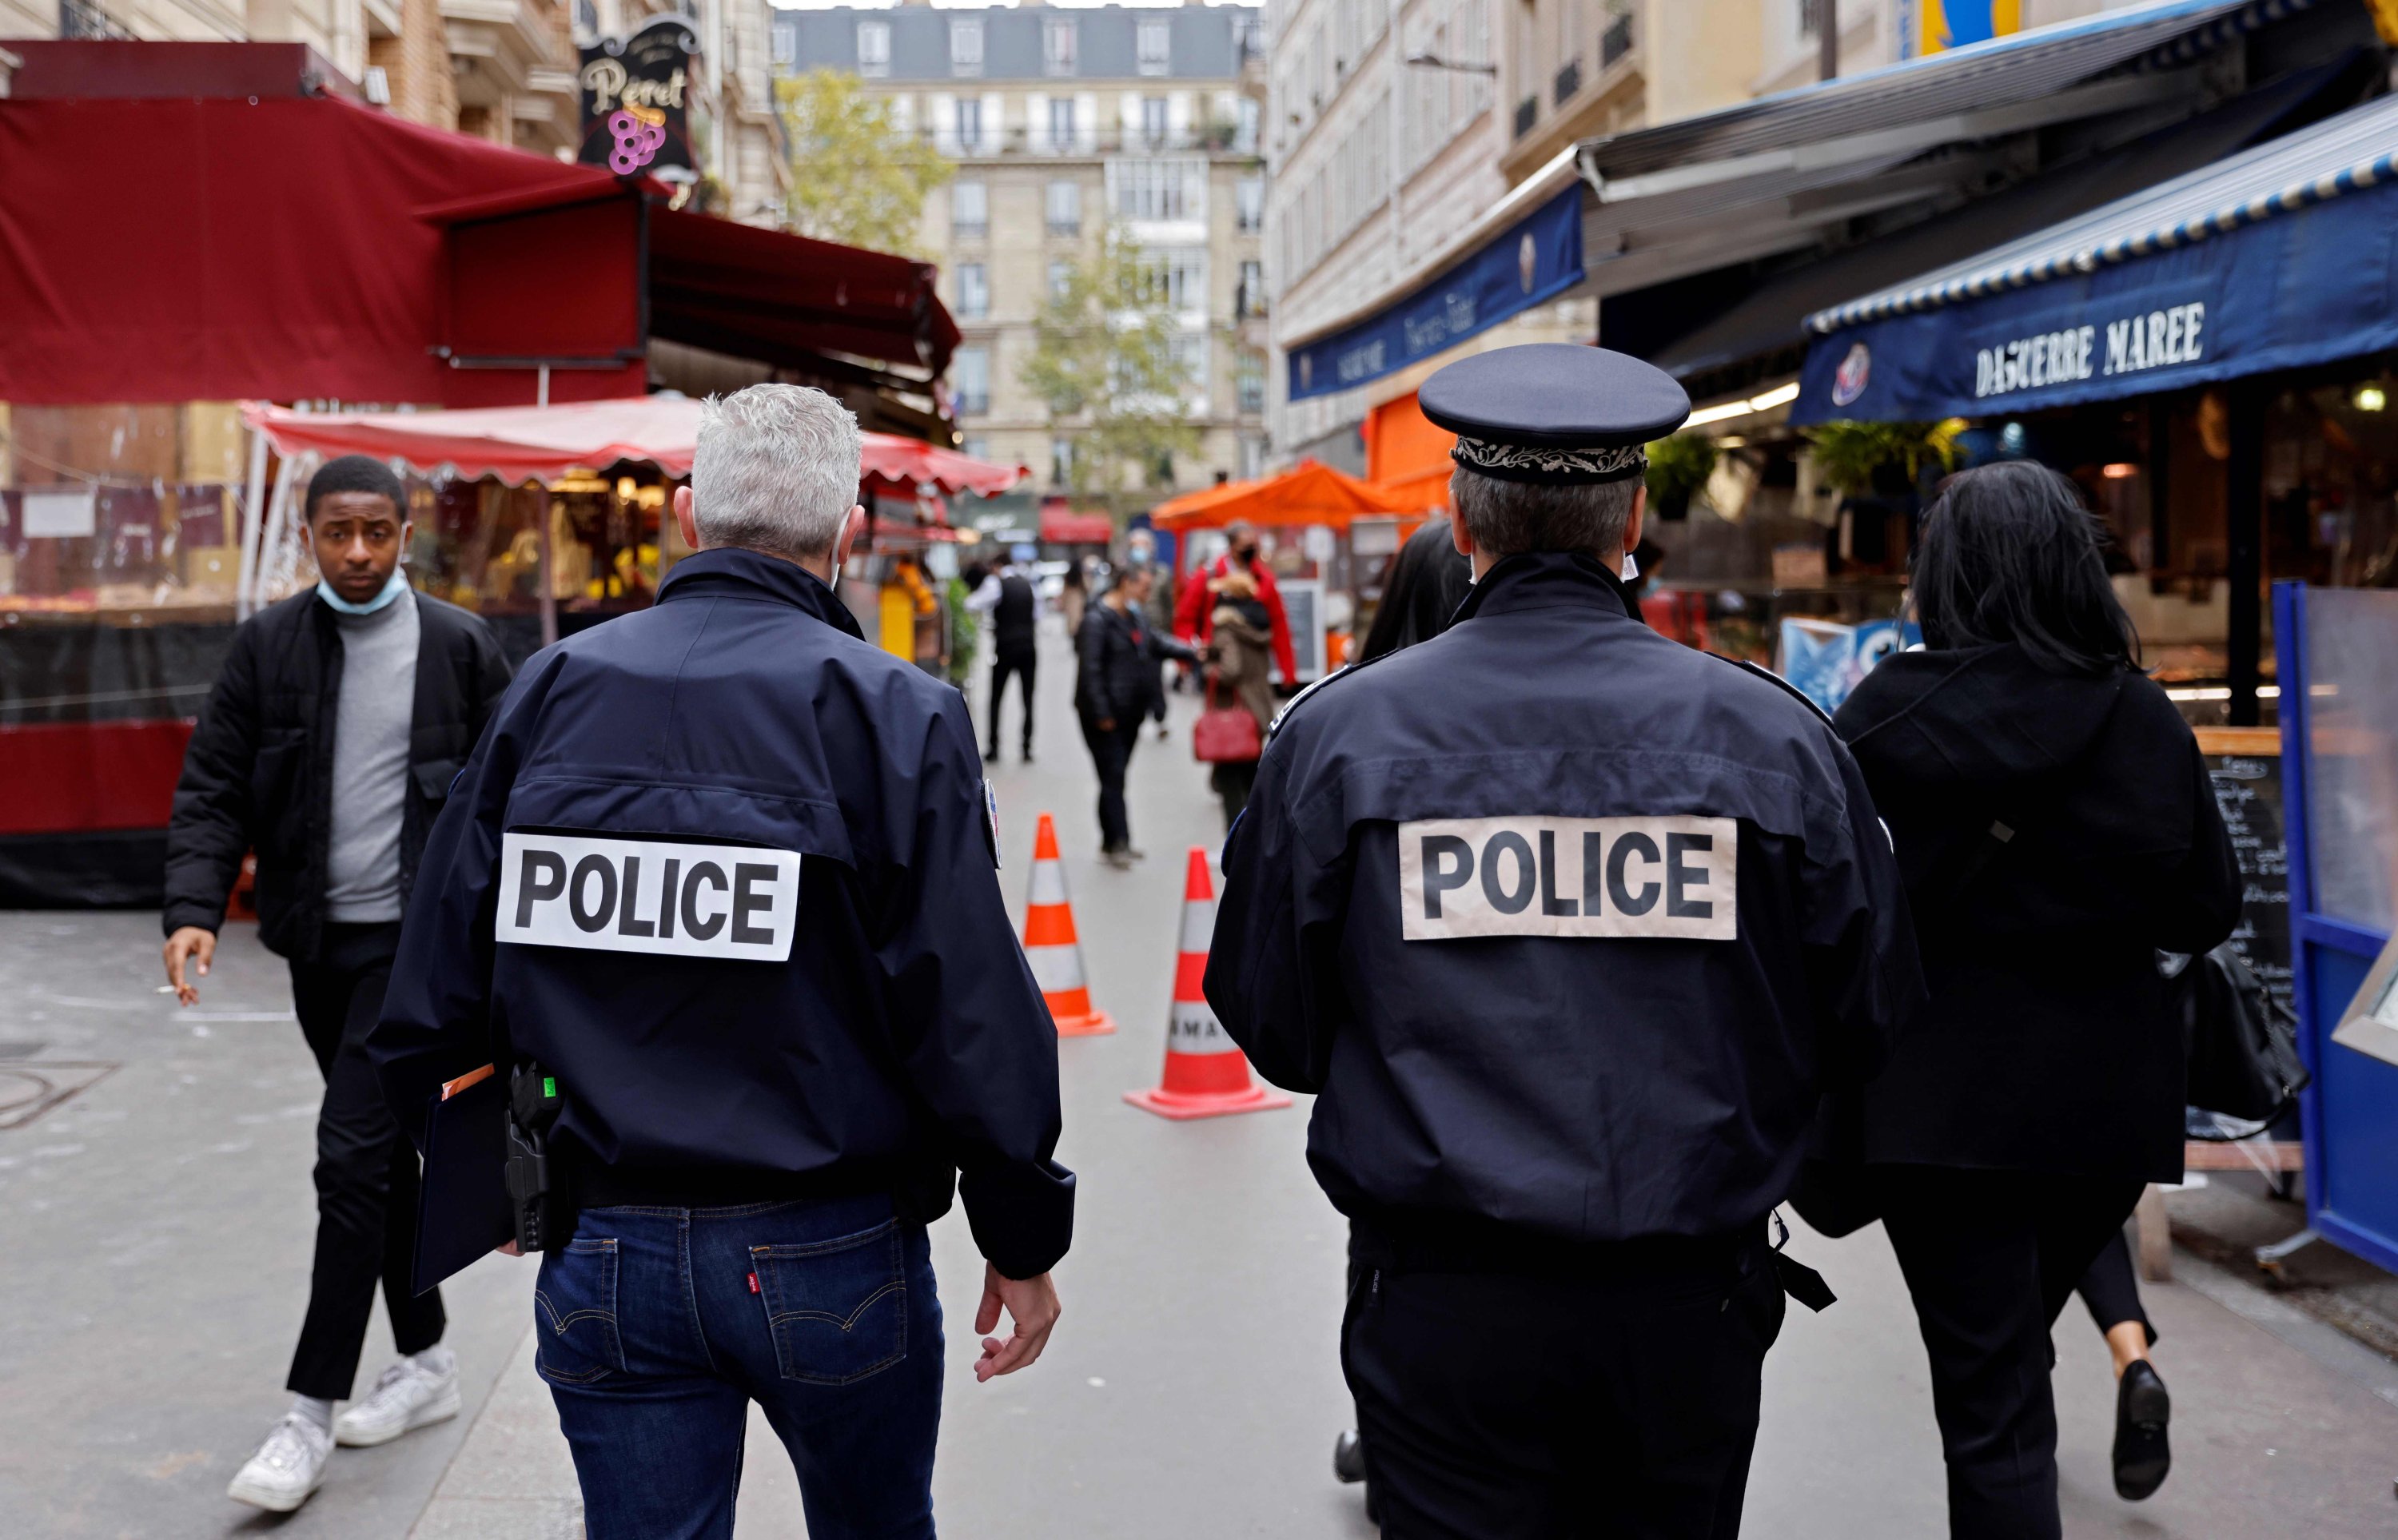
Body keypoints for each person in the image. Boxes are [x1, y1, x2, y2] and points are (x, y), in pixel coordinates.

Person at [1209, 343, 1924, 1538]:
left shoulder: (1338, 738)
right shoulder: (1775, 739)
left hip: (1442, 1301)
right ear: (1635, 517)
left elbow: (1275, 1023)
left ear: (1459, 517)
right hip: (1686, 1300)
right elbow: (1870, 1011)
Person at [368, 385, 1073, 1540]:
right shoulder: (898, 711)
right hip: (833, 1247)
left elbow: (433, 985)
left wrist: (483, 1168)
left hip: (608, 1242)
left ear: (686, 515)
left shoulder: (550, 690)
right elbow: (967, 1008)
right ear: (844, 531)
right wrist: (1022, 1235)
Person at [1830, 460, 2238, 1540]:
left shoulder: (1884, 714)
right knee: (2009, 1354)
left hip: (1935, 1109)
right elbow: (2205, 909)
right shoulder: (2142, 719)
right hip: (2106, 1110)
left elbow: (1830, 911)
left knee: (1991, 1401)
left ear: (1943, 571)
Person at [159, 455, 512, 1514]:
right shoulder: (269, 645)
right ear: (308, 535)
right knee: (381, 1162)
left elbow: (516, 785)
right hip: (321, 949)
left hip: (417, 952)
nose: (356, 553)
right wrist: (192, 906)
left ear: (407, 532)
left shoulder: (458, 644)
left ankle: (307, 1410)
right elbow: (214, 783)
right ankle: (431, 1360)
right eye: (336, 533)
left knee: (348, 1157)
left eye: (376, 532)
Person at [1074, 563, 1197, 869]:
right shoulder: (1097, 620)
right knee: (1113, 776)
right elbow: (1090, 672)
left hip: (1130, 714)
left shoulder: (1135, 618)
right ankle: (1119, 842)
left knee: (1114, 776)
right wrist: (1101, 712)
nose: (1147, 593)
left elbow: (1157, 643)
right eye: (1144, 586)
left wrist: (1193, 652)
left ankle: (1111, 839)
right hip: (1104, 717)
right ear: (1126, 584)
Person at [1176, 519, 1297, 686]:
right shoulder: (1208, 576)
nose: (1251, 549)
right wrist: (1187, 656)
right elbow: (1185, 618)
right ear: (1232, 547)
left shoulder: (1264, 579)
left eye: (1253, 544)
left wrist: (1288, 671)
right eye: (1246, 545)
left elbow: (1279, 624)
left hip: (1254, 663)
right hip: (1220, 664)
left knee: (1257, 710)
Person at [1199, 568, 1277, 826]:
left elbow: (1230, 671)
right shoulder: (1258, 627)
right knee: (1251, 780)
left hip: (1233, 714)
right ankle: (1257, 838)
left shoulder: (1226, 629)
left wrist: (1208, 667)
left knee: (1230, 783)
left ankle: (1235, 843)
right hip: (1258, 709)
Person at [966, 553, 1040, 762]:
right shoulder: (1029, 584)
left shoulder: (996, 584)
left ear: (998, 566)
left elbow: (971, 603)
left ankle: (994, 748)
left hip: (1005, 647)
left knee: (997, 697)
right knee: (1028, 698)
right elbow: (1037, 615)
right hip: (1028, 646)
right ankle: (1026, 748)